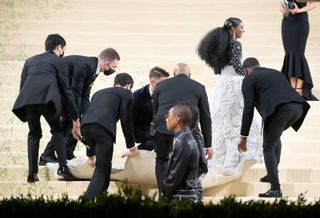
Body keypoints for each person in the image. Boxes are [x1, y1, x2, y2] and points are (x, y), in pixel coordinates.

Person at [197, 17, 262, 182]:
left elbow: (218, 70)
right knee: (236, 121)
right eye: (242, 27)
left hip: (221, 86)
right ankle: (233, 163)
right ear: (233, 28)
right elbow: (238, 67)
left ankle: (220, 160)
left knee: (223, 123)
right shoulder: (235, 44)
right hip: (234, 86)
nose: (243, 30)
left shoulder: (218, 44)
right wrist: (251, 72)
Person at [12, 33, 81, 183]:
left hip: (28, 101)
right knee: (57, 130)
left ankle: (32, 173)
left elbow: (23, 85)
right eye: (63, 49)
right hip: (47, 101)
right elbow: (66, 90)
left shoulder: (30, 61)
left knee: (34, 134)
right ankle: (63, 167)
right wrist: (74, 117)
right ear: (59, 47)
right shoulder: (58, 61)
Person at [238, 57, 310, 198]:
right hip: (298, 108)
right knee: (274, 138)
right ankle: (272, 174)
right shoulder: (275, 72)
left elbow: (248, 108)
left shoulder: (248, 79)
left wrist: (243, 136)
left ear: (246, 71)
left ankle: (275, 189)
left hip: (280, 110)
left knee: (268, 147)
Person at [39, 48, 120, 164]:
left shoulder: (94, 69)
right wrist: (75, 116)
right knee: (68, 123)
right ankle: (47, 155)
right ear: (105, 62)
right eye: (114, 66)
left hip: (66, 91)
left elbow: (84, 93)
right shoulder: (86, 66)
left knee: (80, 121)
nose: (114, 70)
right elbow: (75, 92)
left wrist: (87, 112)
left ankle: (67, 152)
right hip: (55, 89)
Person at [152, 63, 212, 194]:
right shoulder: (199, 88)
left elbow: (155, 110)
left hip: (163, 128)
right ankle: (182, 192)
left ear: (173, 74)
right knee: (188, 161)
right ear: (189, 75)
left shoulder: (160, 85)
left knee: (162, 159)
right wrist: (208, 144)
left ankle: (163, 194)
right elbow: (206, 118)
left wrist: (156, 128)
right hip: (187, 131)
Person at [80, 72, 139, 199]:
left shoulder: (98, 93)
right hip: (103, 131)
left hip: (85, 128)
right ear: (128, 86)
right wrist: (132, 146)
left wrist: (90, 154)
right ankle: (85, 202)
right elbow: (125, 120)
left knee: (105, 165)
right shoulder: (127, 93)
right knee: (102, 169)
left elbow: (91, 121)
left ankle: (102, 199)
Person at [162, 103, 201, 202]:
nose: (166, 119)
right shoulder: (184, 138)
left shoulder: (184, 142)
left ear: (177, 119)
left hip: (181, 198)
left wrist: (164, 192)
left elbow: (175, 175)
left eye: (168, 116)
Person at [280, 0, 317, 99]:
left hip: (300, 21)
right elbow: (281, 4)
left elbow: (314, 4)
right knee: (289, 53)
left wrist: (299, 10)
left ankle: (300, 86)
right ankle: (292, 84)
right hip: (287, 22)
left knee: (298, 53)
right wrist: (283, 9)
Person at [132, 67, 169, 151]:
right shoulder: (137, 96)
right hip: (141, 132)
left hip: (159, 131)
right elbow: (131, 122)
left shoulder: (166, 96)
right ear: (152, 83)